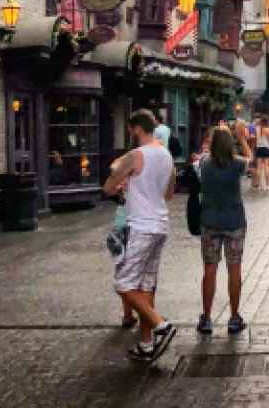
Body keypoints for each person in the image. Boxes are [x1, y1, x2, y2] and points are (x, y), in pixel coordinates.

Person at [104, 109, 177, 364]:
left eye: (131, 129)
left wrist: (124, 182)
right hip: (161, 225)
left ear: (136, 128)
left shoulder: (136, 155)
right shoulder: (167, 156)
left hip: (142, 226)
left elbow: (108, 186)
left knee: (124, 284)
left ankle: (160, 325)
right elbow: (168, 193)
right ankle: (146, 344)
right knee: (145, 286)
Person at [197, 124, 253, 336]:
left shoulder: (203, 163)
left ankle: (206, 316)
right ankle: (234, 316)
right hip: (234, 221)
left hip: (210, 221)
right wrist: (243, 139)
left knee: (209, 268)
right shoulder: (237, 164)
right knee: (234, 268)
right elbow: (251, 159)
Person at [108, 157, 137, 328]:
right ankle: (147, 311)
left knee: (124, 269)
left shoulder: (124, 172)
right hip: (137, 224)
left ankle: (128, 314)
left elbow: (114, 166)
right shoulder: (143, 172)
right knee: (142, 271)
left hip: (121, 224)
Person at [255, 117, 269, 191]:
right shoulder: (267, 129)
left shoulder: (257, 129)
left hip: (259, 148)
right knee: (266, 167)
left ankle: (259, 185)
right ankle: (268, 185)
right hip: (266, 148)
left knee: (259, 167)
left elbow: (256, 138)